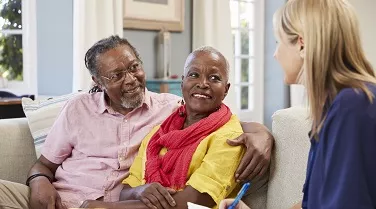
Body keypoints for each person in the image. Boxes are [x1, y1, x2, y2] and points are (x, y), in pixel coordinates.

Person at [0, 36, 273, 209]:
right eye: (117, 75)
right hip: (61, 200)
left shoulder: (169, 109)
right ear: (98, 82)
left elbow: (217, 120)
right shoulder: (78, 108)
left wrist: (262, 134)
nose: (131, 80)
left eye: (134, 67)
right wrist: (38, 182)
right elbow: (44, 164)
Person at [221, 0, 376, 208]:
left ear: (301, 44)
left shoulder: (353, 107)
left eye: (279, 42)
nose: (276, 54)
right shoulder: (334, 108)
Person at [79, 46, 247, 209]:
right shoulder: (158, 134)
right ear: (183, 83)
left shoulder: (230, 137)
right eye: (194, 75)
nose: (203, 84)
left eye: (214, 78)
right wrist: (140, 191)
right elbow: (125, 192)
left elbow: (192, 202)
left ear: (226, 89)